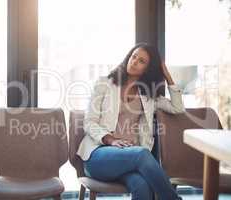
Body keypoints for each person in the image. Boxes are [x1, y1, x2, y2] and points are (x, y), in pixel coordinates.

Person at [76, 43, 185, 200]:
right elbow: (89, 122)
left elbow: (177, 108)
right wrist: (110, 140)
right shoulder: (104, 84)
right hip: (98, 155)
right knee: (142, 154)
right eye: (134, 56)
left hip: (129, 160)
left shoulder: (149, 96)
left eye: (141, 61)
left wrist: (167, 74)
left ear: (148, 69)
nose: (134, 62)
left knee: (141, 186)